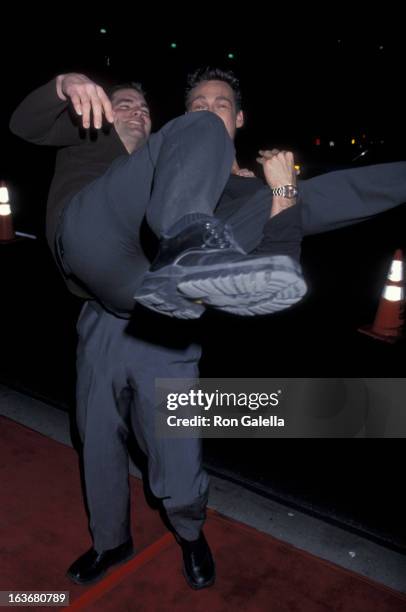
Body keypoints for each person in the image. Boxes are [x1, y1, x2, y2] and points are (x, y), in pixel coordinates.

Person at [9, 70, 305, 591]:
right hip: (101, 319)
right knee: (97, 436)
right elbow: (26, 122)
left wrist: (279, 190)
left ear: (237, 120)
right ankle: (110, 541)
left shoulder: (206, 171)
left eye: (143, 109)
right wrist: (65, 84)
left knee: (176, 448)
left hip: (167, 330)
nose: (134, 112)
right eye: (121, 104)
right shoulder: (86, 146)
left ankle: (190, 531)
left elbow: (274, 267)